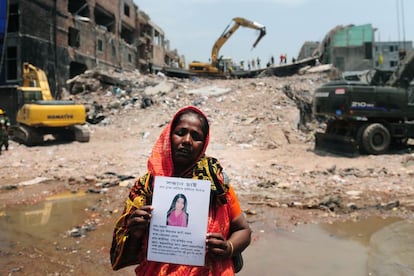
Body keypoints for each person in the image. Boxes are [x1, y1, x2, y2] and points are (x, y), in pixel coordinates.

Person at [110, 106, 251, 275]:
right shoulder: (146, 187)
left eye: (196, 136)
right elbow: (129, 254)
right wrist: (135, 232)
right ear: (169, 135)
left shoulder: (217, 185)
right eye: (180, 132)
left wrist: (228, 247)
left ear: (204, 144)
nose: (187, 141)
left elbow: (243, 230)